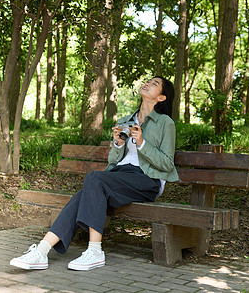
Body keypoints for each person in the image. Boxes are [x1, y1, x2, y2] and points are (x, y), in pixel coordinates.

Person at [10, 76, 179, 271]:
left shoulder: (165, 123)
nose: (148, 83)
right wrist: (118, 143)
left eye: (155, 84)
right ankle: (41, 251)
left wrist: (142, 143)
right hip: (119, 176)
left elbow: (167, 164)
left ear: (161, 98)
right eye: (148, 81)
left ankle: (95, 250)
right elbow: (113, 161)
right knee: (84, 194)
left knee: (93, 179)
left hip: (147, 180)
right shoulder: (126, 120)